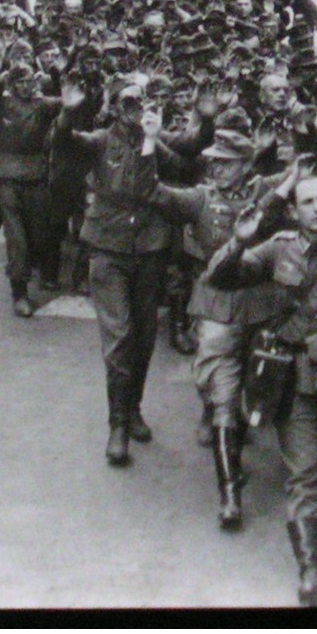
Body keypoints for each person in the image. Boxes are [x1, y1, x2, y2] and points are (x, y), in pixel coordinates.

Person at [203, 173, 317, 607]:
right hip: (292, 374)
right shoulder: (279, 247)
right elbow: (221, 278)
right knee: (306, 471)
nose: (315, 207)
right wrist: (237, 242)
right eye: (306, 201)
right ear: (294, 209)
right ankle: (310, 569)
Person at [52, 76, 217, 466]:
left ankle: (134, 408)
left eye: (140, 103)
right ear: (112, 107)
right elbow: (62, 144)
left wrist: (206, 119)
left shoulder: (154, 141)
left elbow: (190, 152)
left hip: (149, 248)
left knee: (143, 336)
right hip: (108, 249)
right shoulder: (99, 141)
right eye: (127, 103)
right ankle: (117, 425)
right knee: (119, 336)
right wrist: (66, 111)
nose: (135, 110)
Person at [151, 139, 299, 529]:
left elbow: (307, 165)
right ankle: (230, 492)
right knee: (220, 391)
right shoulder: (201, 197)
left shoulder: (265, 191)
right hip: (217, 301)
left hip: (261, 300)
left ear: (246, 165)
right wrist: (147, 147)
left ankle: (253, 429)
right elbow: (156, 194)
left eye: (226, 163)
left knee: (266, 379)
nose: (216, 169)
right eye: (213, 162)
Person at [0, 61, 61, 316]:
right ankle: (19, 293)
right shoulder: (1, 104)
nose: (26, 86)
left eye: (29, 81)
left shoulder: (41, 104)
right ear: (11, 85)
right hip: (7, 176)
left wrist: (62, 79)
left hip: (35, 175)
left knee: (38, 234)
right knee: (17, 239)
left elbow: (67, 105)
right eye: (20, 82)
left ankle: (30, 270)